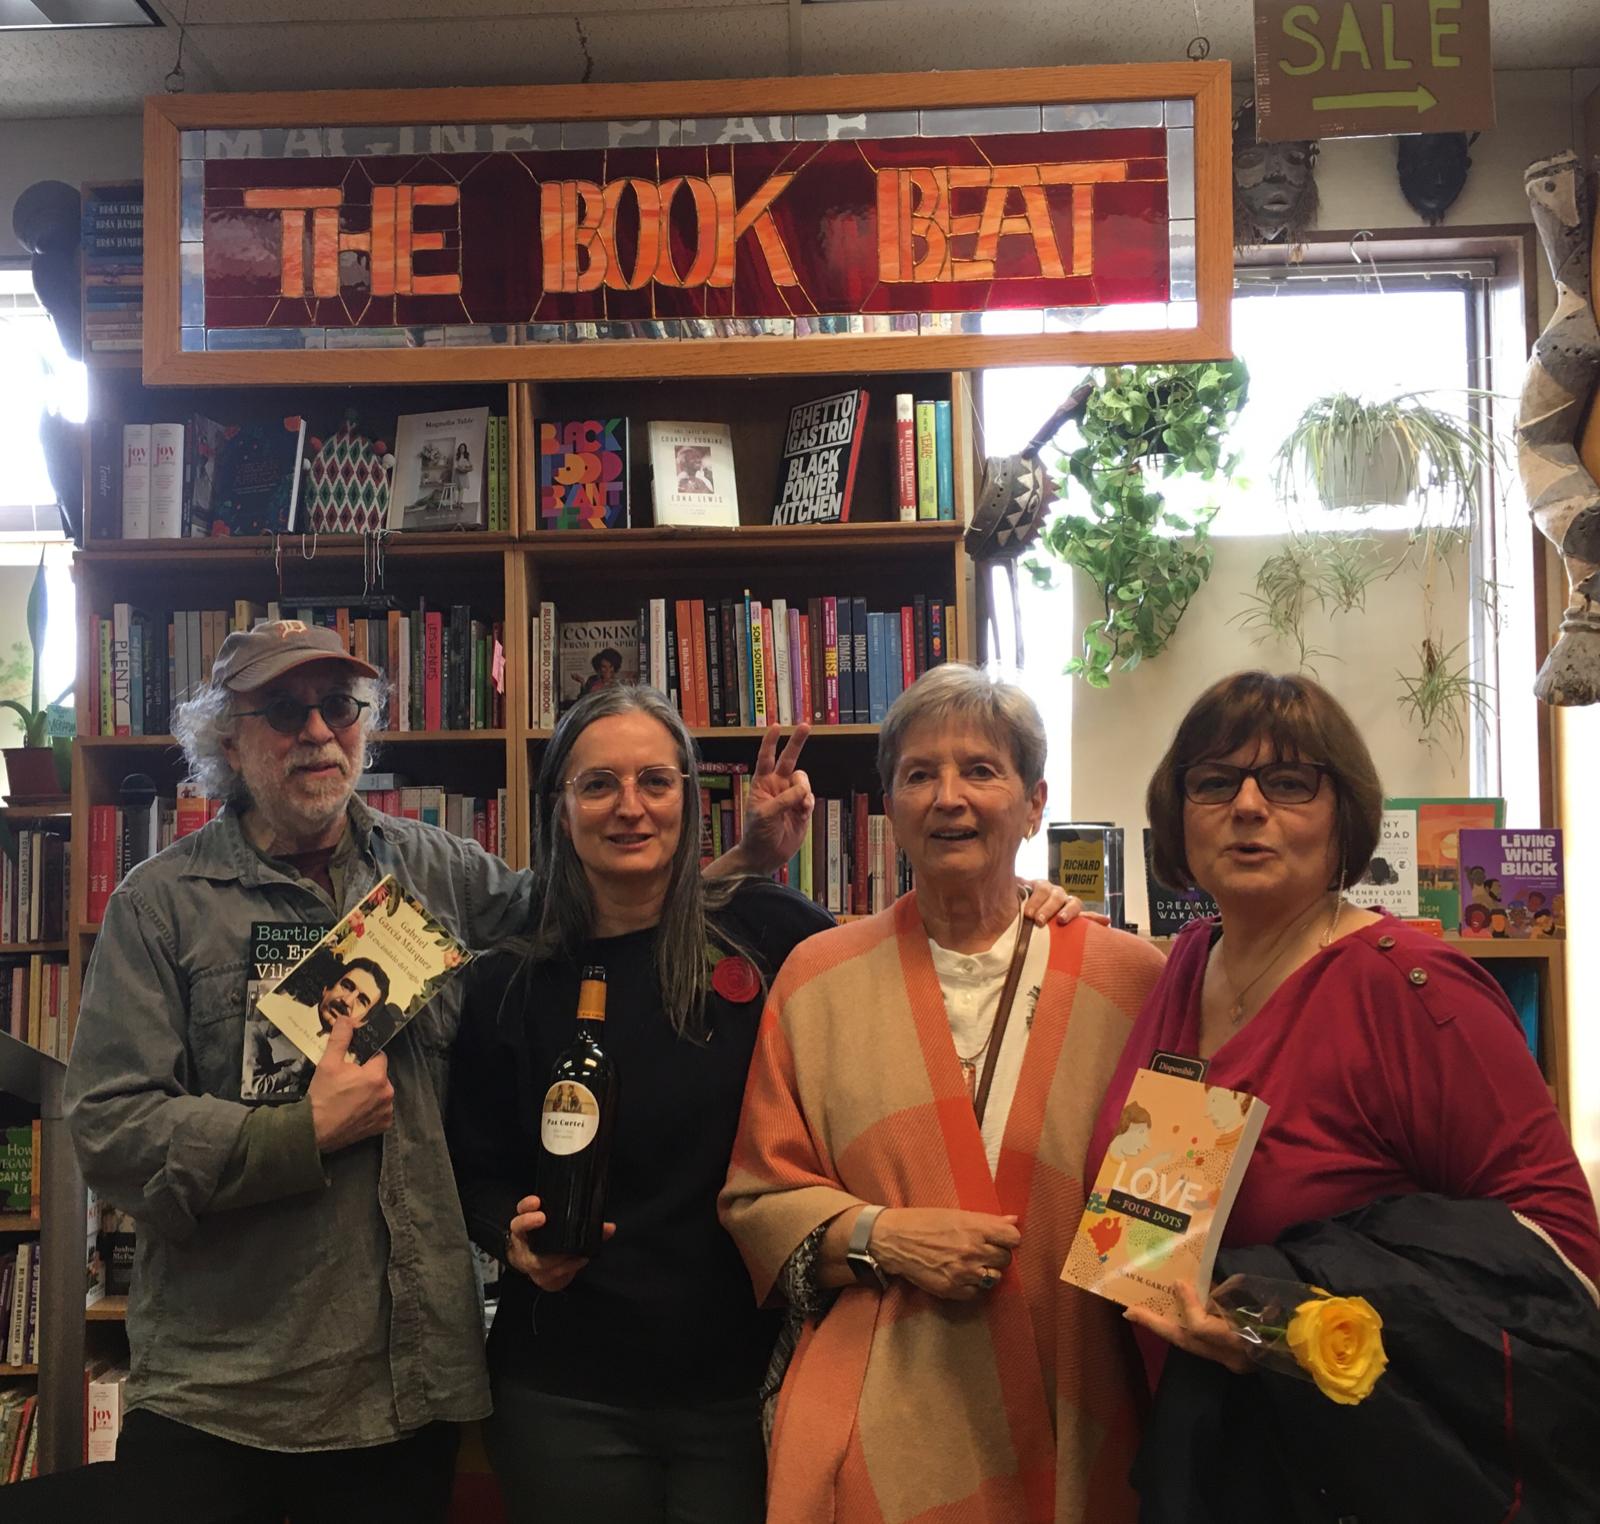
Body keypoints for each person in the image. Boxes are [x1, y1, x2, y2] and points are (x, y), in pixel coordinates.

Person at [63, 620, 818, 1522]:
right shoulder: (159, 907)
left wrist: (743, 858)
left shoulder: (438, 869)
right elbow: (109, 1127)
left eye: (339, 705)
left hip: (402, 1393)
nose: (318, 731)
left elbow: (608, 898)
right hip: (224, 1397)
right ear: (227, 739)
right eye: (284, 710)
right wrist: (299, 1132)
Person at [447, 682, 1080, 1523]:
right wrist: (512, 1236)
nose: (629, 807)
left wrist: (1029, 907)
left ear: (688, 800)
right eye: (598, 785)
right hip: (564, 1394)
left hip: (747, 1387)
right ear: (560, 810)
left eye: (656, 782)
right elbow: (472, 1169)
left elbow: (914, 958)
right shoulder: (507, 983)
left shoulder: (770, 933)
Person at [1085, 671, 1600, 1511]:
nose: (1247, 806)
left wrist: (1277, 1323)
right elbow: (1146, 1238)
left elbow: (1562, 1261)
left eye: (1289, 782)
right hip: (1199, 1460)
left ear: (1345, 813)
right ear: (1177, 813)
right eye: (1214, 781)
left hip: (1352, 1479)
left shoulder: (1413, 990)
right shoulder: (1182, 967)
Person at [720, 664, 1165, 1524]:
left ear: (1034, 805)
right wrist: (882, 1237)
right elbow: (756, 1199)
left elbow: (1167, 1216)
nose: (948, 797)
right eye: (919, 774)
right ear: (891, 806)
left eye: (981, 770)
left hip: (1079, 1398)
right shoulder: (819, 979)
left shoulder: (1129, 980)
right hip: (885, 1415)